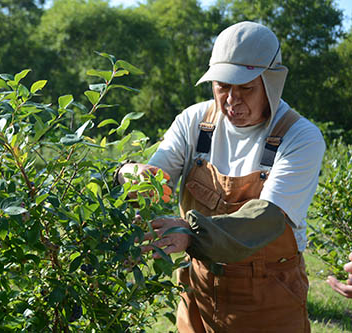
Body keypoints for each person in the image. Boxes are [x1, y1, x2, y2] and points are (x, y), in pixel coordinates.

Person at [117, 21, 325, 332]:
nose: (231, 100)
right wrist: (129, 173)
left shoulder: (300, 137)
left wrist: (192, 233)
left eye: (246, 88)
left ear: (271, 83)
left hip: (267, 294)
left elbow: (267, 218)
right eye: (222, 86)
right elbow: (156, 180)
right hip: (197, 288)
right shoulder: (196, 121)